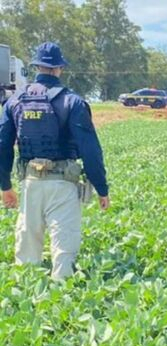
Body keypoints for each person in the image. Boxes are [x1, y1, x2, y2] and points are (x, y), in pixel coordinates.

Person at [0, 42, 110, 279]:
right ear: (60, 67)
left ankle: (26, 301)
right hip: (63, 183)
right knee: (64, 247)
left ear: (36, 66)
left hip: (30, 183)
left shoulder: (14, 101)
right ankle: (61, 298)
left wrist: (5, 187)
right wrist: (101, 188)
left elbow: (3, 147)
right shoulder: (73, 102)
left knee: (27, 245)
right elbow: (90, 150)